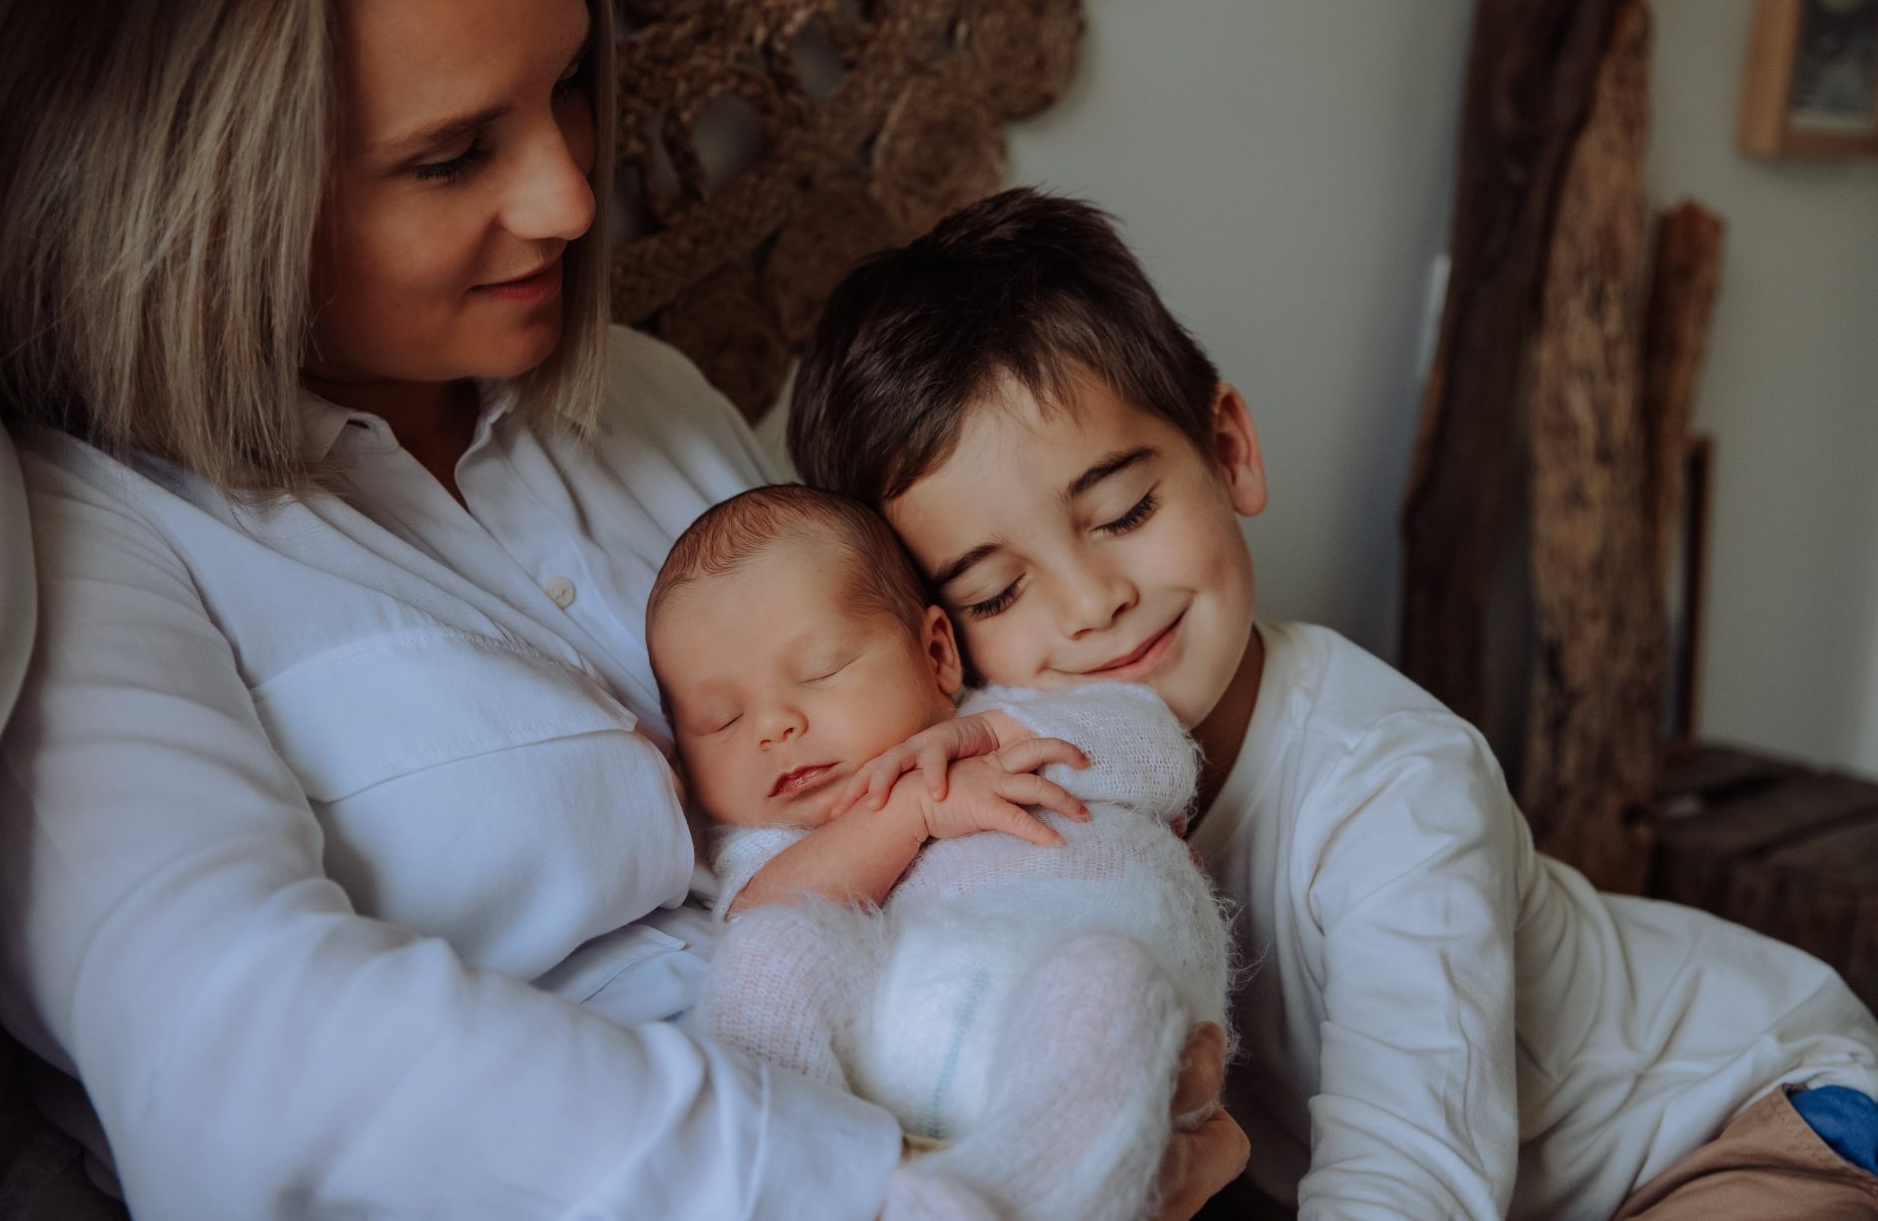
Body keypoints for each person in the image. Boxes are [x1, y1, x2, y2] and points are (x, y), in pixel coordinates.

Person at [0, 0, 1249, 1217]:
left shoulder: (650, 399)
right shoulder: (94, 535)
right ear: (206, 189)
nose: (574, 200)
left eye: (570, 82)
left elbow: (946, 701)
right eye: (451, 154)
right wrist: (885, 1188)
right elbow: (243, 1044)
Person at [787, 187, 1878, 1220]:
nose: (1091, 602)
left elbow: (1412, 1181)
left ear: (1228, 451)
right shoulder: (990, 800)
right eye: (996, 591)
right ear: (936, 643)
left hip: (1744, 1114)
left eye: (1124, 512)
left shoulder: (1395, 782)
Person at [647, 484, 1234, 1221]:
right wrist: (910, 811)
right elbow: (754, 918)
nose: (773, 726)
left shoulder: (1013, 715)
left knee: (1109, 981)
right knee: (770, 950)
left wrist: (995, 739)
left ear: (936, 654)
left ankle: (1001, 1198)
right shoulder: (779, 839)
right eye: (721, 719)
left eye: (821, 669)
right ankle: (796, 1182)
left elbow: (1161, 760)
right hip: (881, 1061)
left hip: (1081, 1045)